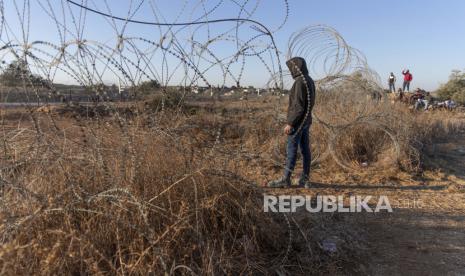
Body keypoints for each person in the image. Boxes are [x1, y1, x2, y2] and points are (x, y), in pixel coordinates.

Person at [268, 57, 316, 188]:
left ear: (296, 67)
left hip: (298, 123)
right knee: (305, 151)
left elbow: (298, 106)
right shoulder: (309, 80)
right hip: (306, 121)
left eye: (292, 68)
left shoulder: (300, 82)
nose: (291, 71)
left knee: (291, 151)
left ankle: (286, 179)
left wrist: (290, 123)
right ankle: (305, 179)